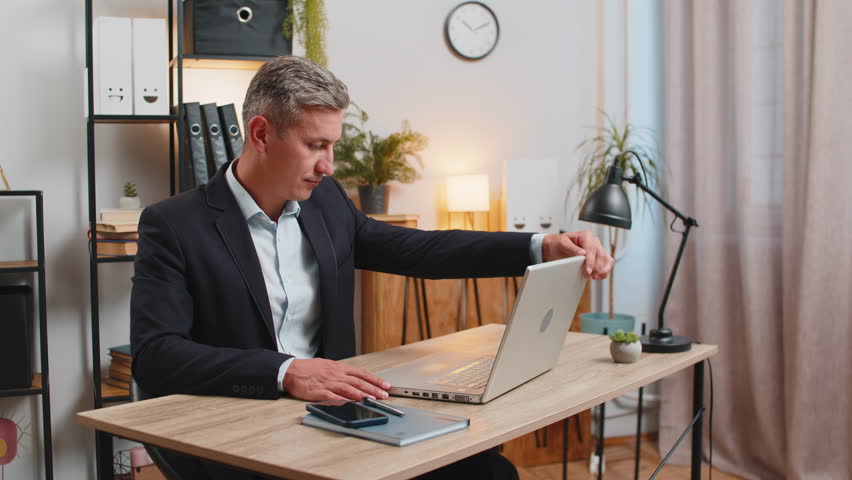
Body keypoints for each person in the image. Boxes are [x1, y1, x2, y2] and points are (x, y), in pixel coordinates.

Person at [130, 55, 613, 480]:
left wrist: (541, 246)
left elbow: (420, 250)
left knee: (486, 470)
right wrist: (284, 372)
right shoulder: (173, 225)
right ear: (260, 134)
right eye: (316, 145)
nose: (329, 165)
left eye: (333, 145)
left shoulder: (327, 204)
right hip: (238, 428)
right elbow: (156, 356)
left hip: (336, 419)